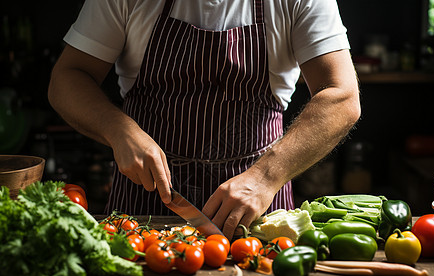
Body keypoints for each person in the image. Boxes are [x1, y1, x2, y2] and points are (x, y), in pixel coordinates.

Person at [48, 0, 360, 240]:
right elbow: (67, 78)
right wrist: (118, 129)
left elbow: (342, 95)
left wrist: (265, 178)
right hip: (144, 201)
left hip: (256, 212)